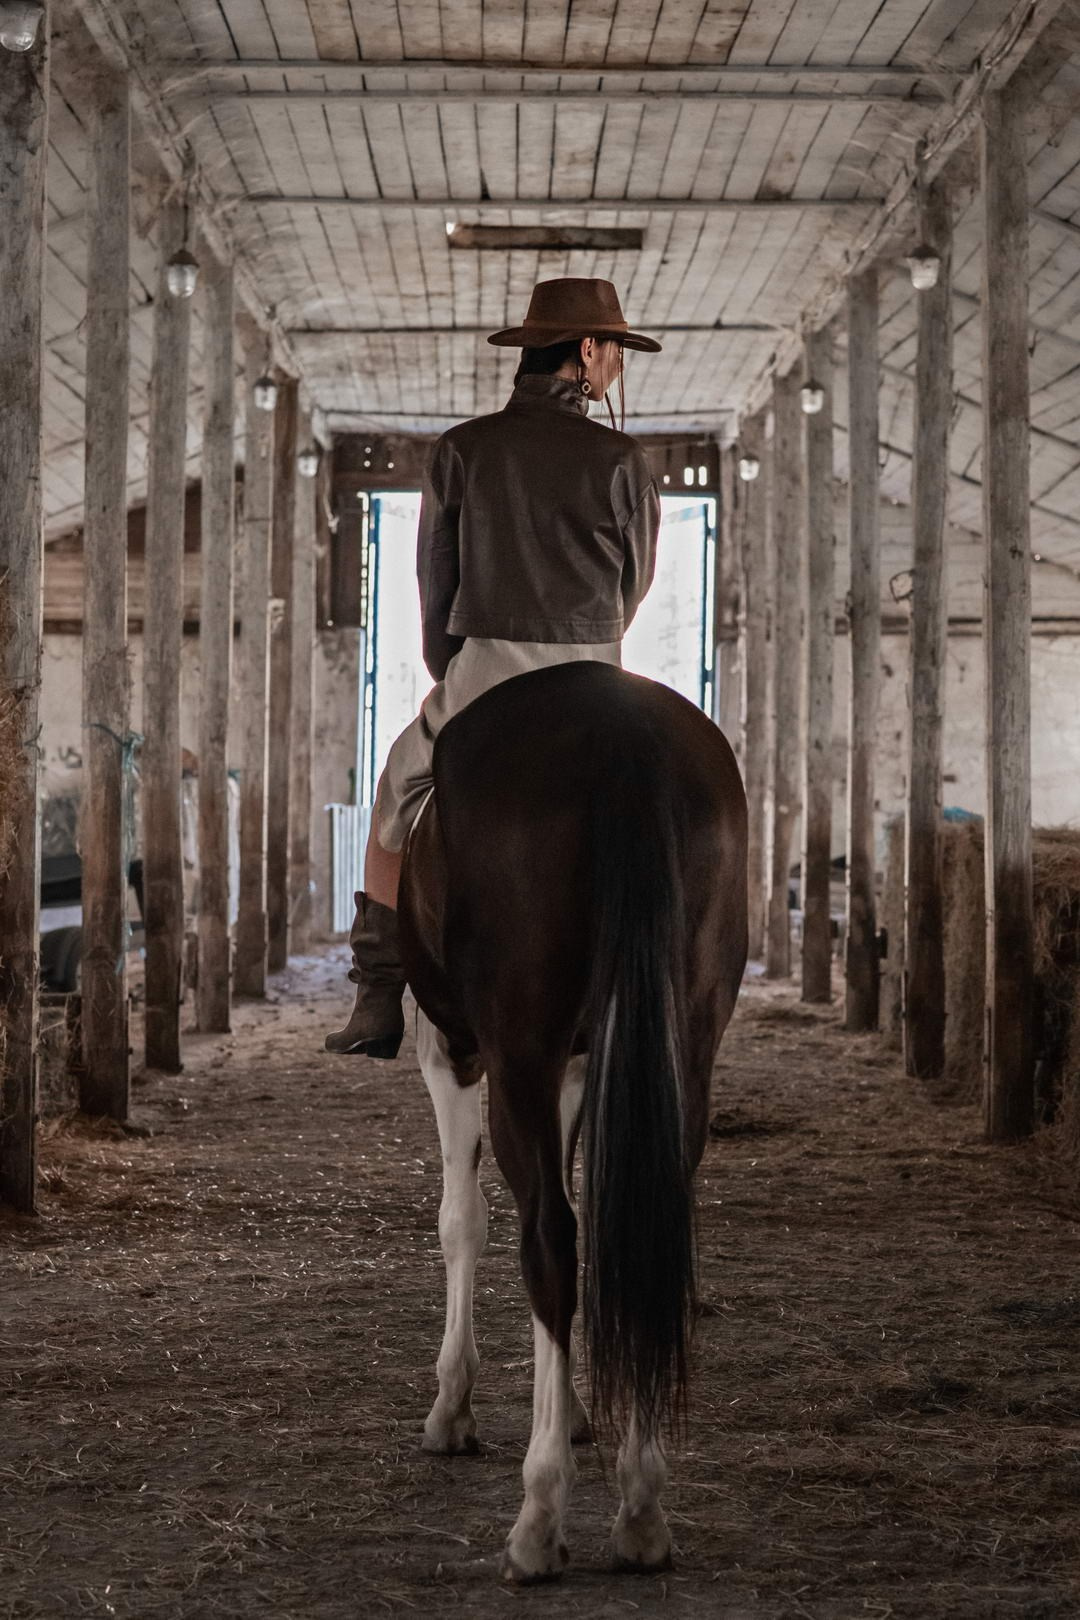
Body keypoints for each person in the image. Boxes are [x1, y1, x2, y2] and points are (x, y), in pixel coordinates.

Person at [325, 277, 662, 1058]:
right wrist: (591, 642)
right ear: (587, 351)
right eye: (613, 350)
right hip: (595, 670)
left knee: (396, 791)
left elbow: (433, 579)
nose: (615, 365)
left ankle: (378, 989)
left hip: (490, 669)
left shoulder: (463, 449)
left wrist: (454, 670)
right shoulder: (625, 459)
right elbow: (634, 585)